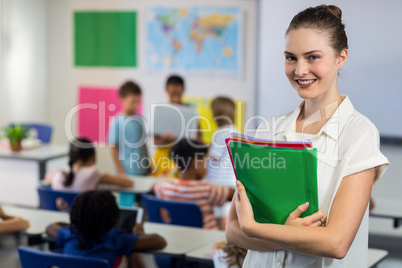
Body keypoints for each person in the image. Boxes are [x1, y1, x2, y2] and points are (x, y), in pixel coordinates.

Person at [226, 5, 390, 267]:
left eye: (313, 57)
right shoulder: (268, 129)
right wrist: (292, 233)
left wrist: (254, 228)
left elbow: (336, 243)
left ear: (341, 57)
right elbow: (234, 230)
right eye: (291, 57)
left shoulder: (359, 133)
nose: (300, 70)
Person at [45, 190, 166, 268]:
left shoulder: (70, 234)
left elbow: (50, 227)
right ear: (114, 219)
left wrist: (79, 224)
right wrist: (138, 234)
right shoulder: (115, 239)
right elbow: (160, 242)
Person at [153, 139, 234, 230]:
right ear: (195, 162)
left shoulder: (164, 187)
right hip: (206, 240)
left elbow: (153, 188)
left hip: (176, 237)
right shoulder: (207, 189)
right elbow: (233, 194)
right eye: (205, 161)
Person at [152, 75, 200, 178]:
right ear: (166, 90)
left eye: (178, 95)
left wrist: (180, 140)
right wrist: (164, 139)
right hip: (163, 161)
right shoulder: (161, 112)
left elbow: (198, 140)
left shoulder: (191, 112)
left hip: (183, 161)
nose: (175, 99)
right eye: (172, 95)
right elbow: (156, 142)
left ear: (183, 90)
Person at [45, 137, 133, 191]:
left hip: (59, 219)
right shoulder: (92, 173)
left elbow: (47, 179)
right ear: (92, 158)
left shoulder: (56, 174)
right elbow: (128, 183)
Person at [108, 81, 150, 176]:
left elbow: (143, 144)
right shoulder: (117, 121)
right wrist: (121, 171)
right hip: (126, 171)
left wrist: (148, 164)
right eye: (133, 102)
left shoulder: (140, 119)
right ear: (122, 99)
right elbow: (113, 148)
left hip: (142, 170)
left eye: (138, 101)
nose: (136, 105)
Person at [206, 96, 238, 186]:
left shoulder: (221, 132)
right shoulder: (234, 130)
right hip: (231, 179)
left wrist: (204, 150)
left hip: (218, 180)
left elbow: (215, 157)